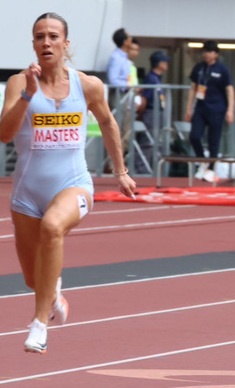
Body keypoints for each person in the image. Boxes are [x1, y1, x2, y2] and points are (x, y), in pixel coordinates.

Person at [0, 12, 136, 354]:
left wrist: (120, 172)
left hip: (73, 184)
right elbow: (4, 135)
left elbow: (108, 123)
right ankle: (53, 292)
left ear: (65, 43)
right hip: (27, 194)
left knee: (53, 227)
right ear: (33, 44)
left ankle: (39, 325)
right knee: (34, 279)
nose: (46, 42)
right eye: (39, 36)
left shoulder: (88, 85)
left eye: (53, 36)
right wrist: (29, 95)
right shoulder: (19, 83)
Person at [184, 40, 235, 182]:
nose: (206, 54)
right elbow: (193, 88)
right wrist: (189, 109)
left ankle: (211, 169)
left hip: (217, 109)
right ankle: (202, 161)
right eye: (204, 51)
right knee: (194, 136)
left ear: (216, 54)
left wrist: (230, 110)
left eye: (209, 51)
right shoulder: (199, 68)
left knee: (214, 141)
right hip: (200, 107)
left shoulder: (222, 70)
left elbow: (229, 90)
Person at [138, 50, 171, 173]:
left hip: (158, 112)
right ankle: (140, 170)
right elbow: (145, 98)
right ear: (158, 63)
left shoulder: (157, 78)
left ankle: (150, 169)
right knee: (147, 142)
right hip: (151, 113)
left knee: (156, 142)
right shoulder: (151, 78)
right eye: (164, 61)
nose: (166, 64)